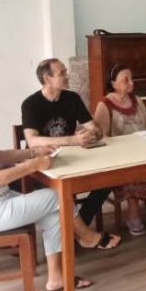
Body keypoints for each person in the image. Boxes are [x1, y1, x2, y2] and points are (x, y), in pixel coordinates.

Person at [0, 94, 121, 291]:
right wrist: (34, 165)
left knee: (54, 212)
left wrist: (34, 152)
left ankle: (57, 278)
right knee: (55, 196)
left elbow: (1, 156)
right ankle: (86, 236)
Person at [21, 58, 110, 226]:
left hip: (72, 159)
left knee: (106, 180)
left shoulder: (73, 98)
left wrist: (92, 133)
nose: (67, 76)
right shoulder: (30, 104)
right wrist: (73, 140)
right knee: (59, 191)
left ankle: (78, 225)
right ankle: (77, 230)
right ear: (47, 79)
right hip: (43, 165)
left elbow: (94, 128)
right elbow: (32, 141)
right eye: (62, 73)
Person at [93, 64, 146, 236]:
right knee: (131, 173)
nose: (131, 83)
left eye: (131, 79)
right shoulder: (105, 104)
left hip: (145, 150)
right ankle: (133, 216)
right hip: (121, 156)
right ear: (114, 83)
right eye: (126, 80)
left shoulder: (137, 100)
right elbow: (102, 137)